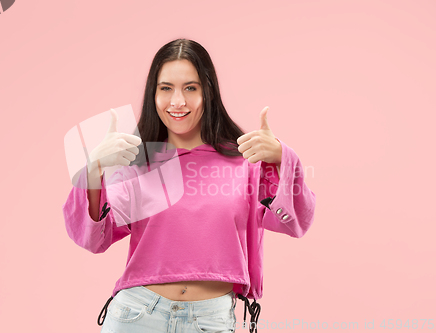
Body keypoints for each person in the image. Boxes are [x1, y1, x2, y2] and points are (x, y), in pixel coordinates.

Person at [62, 38, 316, 333]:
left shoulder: (245, 161)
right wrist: (93, 169)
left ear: (208, 92)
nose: (177, 101)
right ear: (153, 94)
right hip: (137, 316)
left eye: (190, 88)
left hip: (211, 320)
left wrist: (283, 159)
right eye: (166, 88)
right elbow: (93, 238)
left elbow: (296, 222)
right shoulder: (137, 162)